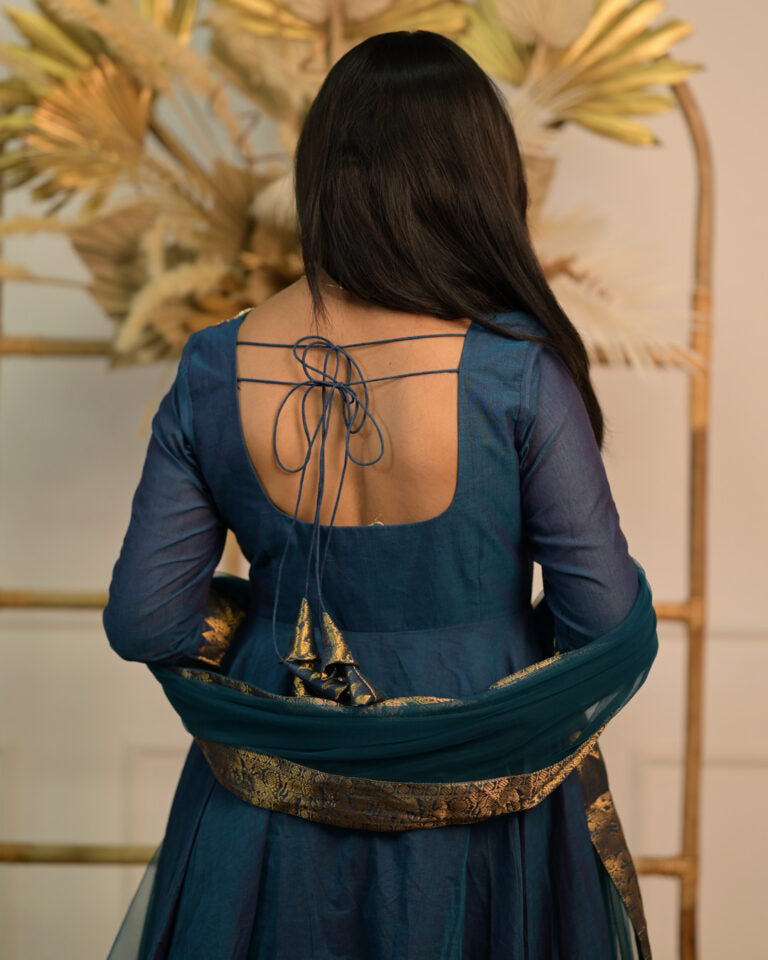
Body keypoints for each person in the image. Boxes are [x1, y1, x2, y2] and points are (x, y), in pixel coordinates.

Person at [103, 30, 657, 960]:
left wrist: (269, 629)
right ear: (474, 179)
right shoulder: (515, 374)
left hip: (268, 803)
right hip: (484, 813)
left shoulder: (213, 365)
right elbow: (601, 617)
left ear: (321, 171)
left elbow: (145, 620)